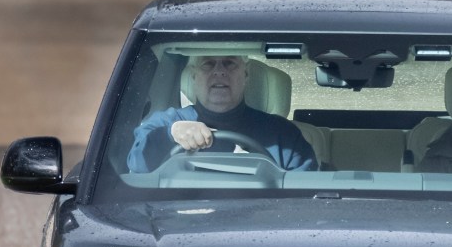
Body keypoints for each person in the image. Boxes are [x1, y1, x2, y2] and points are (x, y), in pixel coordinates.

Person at [127, 56, 316, 172]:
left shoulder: (283, 135)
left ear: (246, 75)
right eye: (208, 64)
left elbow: (304, 197)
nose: (219, 71)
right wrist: (171, 133)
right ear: (193, 76)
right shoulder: (166, 122)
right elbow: (136, 164)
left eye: (229, 63)